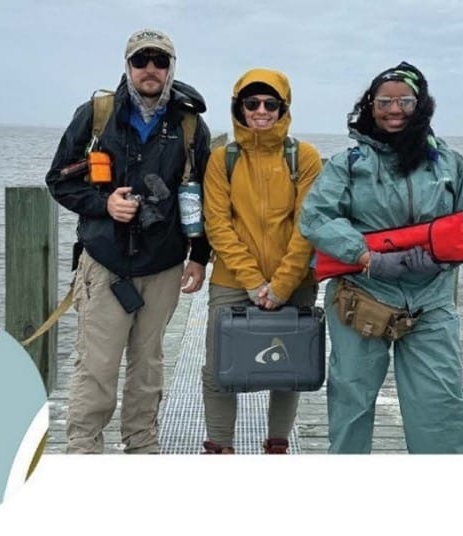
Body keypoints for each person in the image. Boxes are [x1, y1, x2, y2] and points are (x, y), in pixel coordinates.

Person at [299, 61, 463, 454]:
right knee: (351, 400)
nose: (394, 109)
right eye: (383, 101)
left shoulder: (451, 164)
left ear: (421, 104)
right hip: (360, 295)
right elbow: (316, 216)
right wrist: (365, 256)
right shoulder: (346, 165)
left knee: (441, 404)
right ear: (369, 105)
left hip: (432, 302)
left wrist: (440, 259)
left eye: (405, 100)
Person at [45, 28, 211, 454]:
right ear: (128, 66)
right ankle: (84, 449)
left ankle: (142, 447)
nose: (150, 69)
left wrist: (200, 257)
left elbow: (206, 195)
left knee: (148, 364)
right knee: (96, 365)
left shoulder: (191, 123)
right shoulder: (96, 115)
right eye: (142, 60)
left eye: (160, 60)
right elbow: (58, 182)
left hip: (164, 263)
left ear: (172, 67)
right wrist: (104, 205)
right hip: (105, 262)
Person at [200, 68, 322, 454]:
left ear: (284, 107)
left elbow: (309, 224)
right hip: (233, 280)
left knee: (290, 364)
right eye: (251, 103)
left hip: (297, 279)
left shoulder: (304, 156)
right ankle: (220, 446)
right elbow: (217, 224)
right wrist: (253, 281)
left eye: (271, 103)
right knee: (218, 369)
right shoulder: (222, 159)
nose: (261, 110)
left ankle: (277, 444)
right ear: (239, 107)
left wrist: (283, 283)